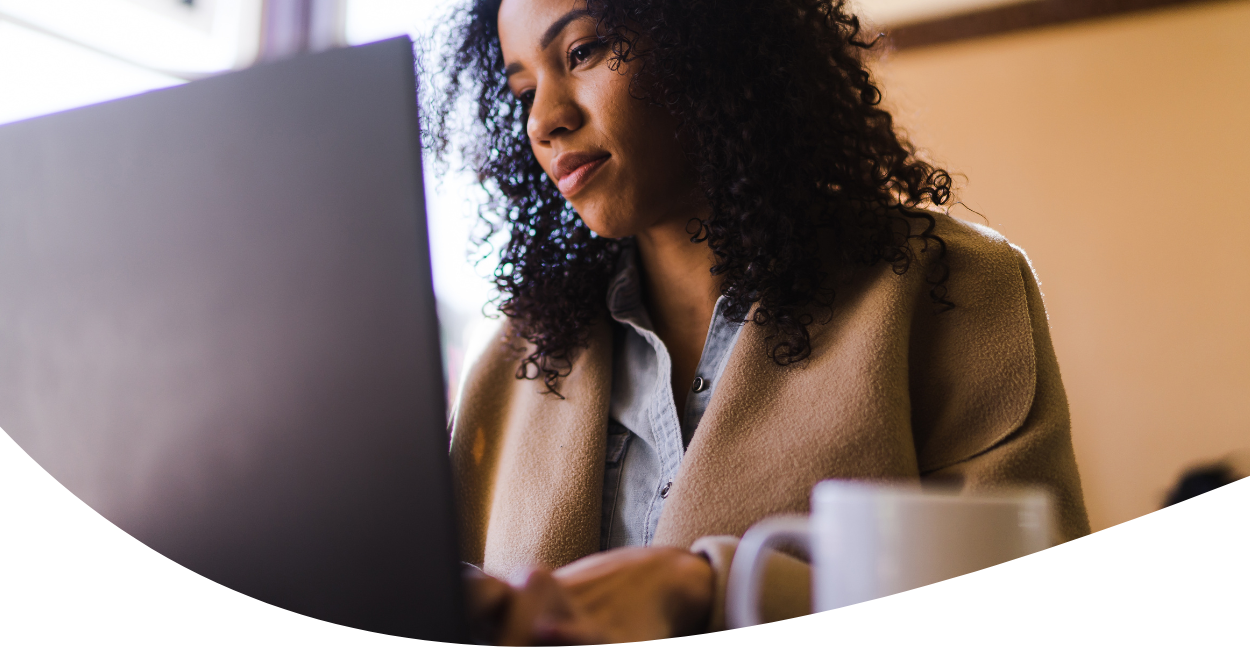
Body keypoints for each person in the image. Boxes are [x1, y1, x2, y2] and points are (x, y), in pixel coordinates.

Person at [432, 0, 1091, 644]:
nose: (544, 120)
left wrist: (716, 592)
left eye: (583, 52)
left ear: (707, 35)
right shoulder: (516, 359)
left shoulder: (951, 290)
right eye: (522, 92)